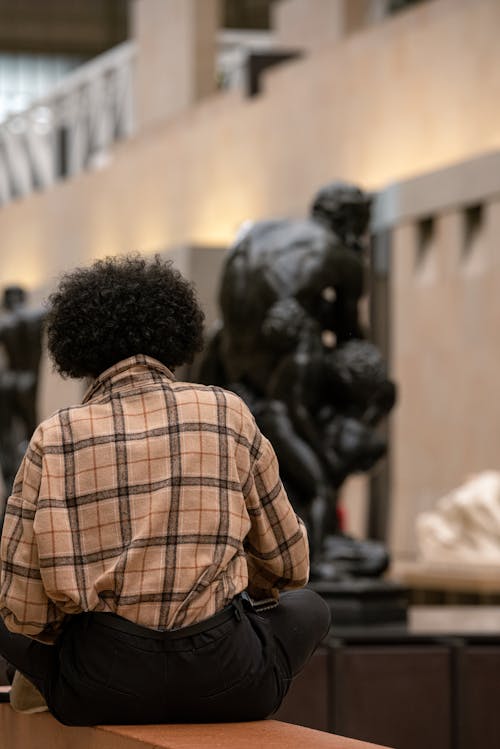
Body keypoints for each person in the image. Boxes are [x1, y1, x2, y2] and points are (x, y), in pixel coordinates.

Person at [0, 255, 330, 726]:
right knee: (311, 607)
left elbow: (23, 606)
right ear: (174, 333)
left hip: (99, 683)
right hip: (230, 678)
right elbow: (290, 565)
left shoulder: (55, 436)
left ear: (77, 346)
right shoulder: (226, 412)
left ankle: (43, 683)